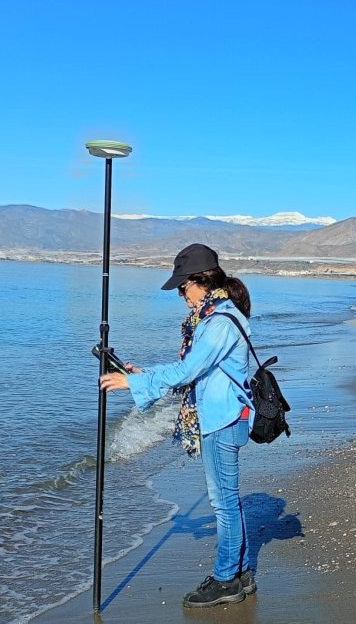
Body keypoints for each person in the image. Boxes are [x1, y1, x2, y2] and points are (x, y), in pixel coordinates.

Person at [99, 243, 257, 607]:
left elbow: (188, 371)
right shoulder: (217, 315)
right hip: (224, 414)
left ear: (200, 281)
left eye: (183, 287)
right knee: (228, 501)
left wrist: (133, 384)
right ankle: (241, 572)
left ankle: (225, 580)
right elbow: (195, 373)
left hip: (222, 417)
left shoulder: (218, 323)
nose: (182, 296)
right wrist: (145, 374)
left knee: (223, 503)